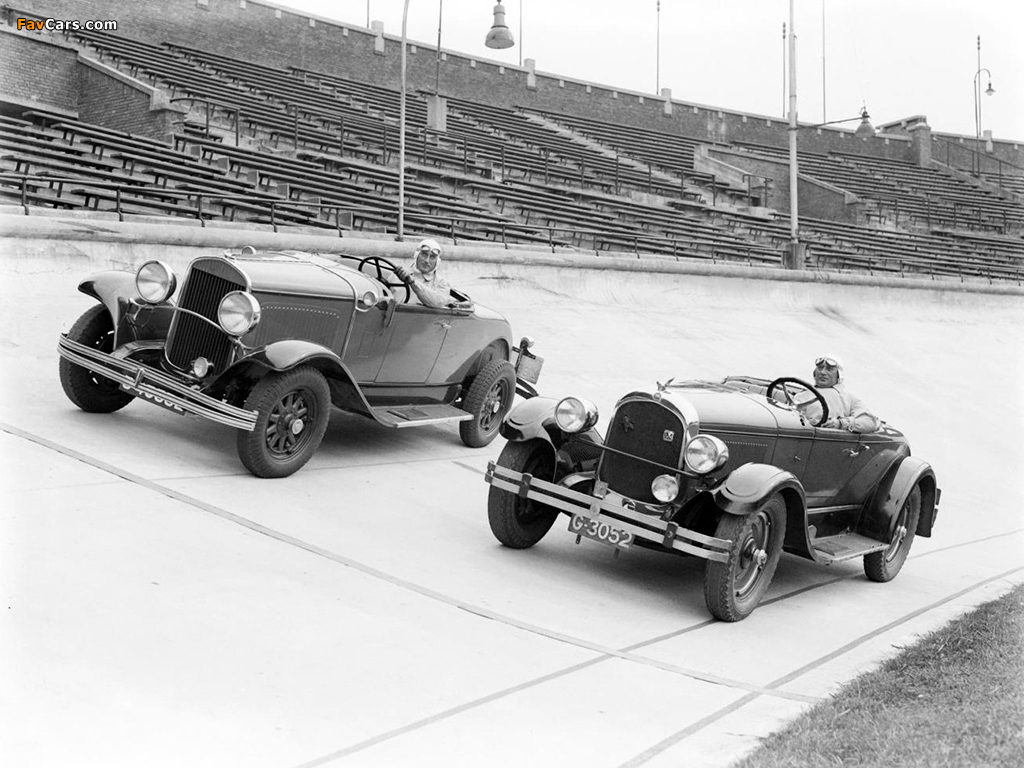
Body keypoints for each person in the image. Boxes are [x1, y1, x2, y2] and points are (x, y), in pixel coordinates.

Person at [796, 354, 880, 433]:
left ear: (838, 374)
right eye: (820, 368)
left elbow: (871, 422)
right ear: (815, 372)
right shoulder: (801, 395)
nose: (823, 372)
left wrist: (841, 423)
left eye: (829, 369)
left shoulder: (849, 399)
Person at [394, 238, 465, 309]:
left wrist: (413, 283)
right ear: (417, 255)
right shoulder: (398, 274)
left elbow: (438, 302)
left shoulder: (442, 283)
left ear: (437, 261)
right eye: (424, 255)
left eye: (432, 257)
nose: (427, 261)